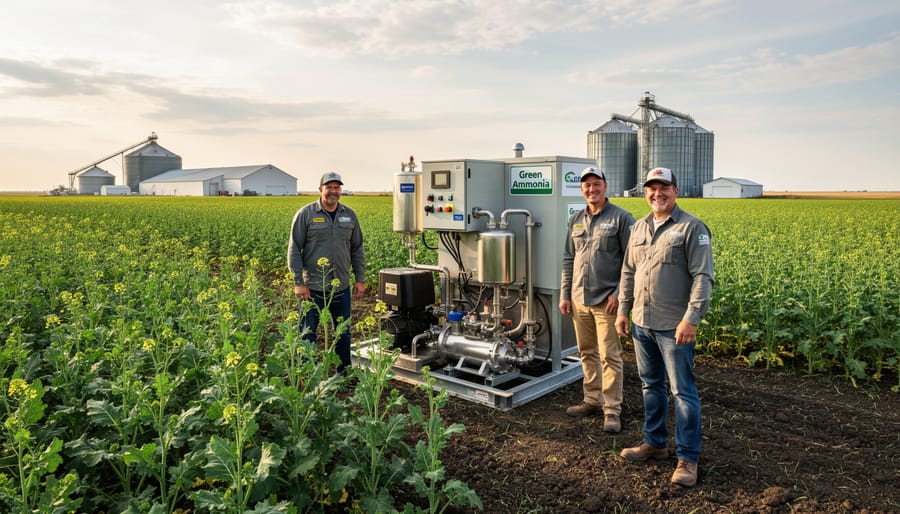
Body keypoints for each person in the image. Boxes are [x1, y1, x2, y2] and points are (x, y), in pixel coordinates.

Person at [614, 167, 714, 487]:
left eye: (664, 187)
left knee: (682, 392)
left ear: (676, 190)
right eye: (651, 188)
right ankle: (655, 443)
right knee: (650, 385)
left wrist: (691, 318)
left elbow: (703, 276)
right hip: (642, 323)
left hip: (674, 326)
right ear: (645, 192)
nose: (657, 194)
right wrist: (623, 311)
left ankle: (687, 458)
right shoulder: (639, 227)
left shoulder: (691, 227)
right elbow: (629, 271)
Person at [560, 166, 635, 433]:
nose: (591, 189)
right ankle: (592, 399)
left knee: (610, 356)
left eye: (596, 184)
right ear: (581, 189)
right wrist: (565, 293)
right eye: (586, 185)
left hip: (607, 301)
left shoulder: (621, 218)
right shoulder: (577, 219)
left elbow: (632, 261)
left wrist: (619, 294)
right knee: (586, 352)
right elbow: (569, 258)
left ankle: (612, 409)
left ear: (605, 185)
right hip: (579, 298)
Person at [288, 171, 366, 373]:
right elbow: (294, 249)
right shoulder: (306, 214)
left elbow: (357, 248)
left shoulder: (349, 215)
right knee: (308, 332)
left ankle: (344, 373)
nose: (333, 191)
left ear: (341, 190)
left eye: (337, 187)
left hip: (340, 286)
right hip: (312, 287)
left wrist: (360, 279)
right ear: (320, 189)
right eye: (329, 187)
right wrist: (298, 282)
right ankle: (307, 373)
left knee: (343, 332)